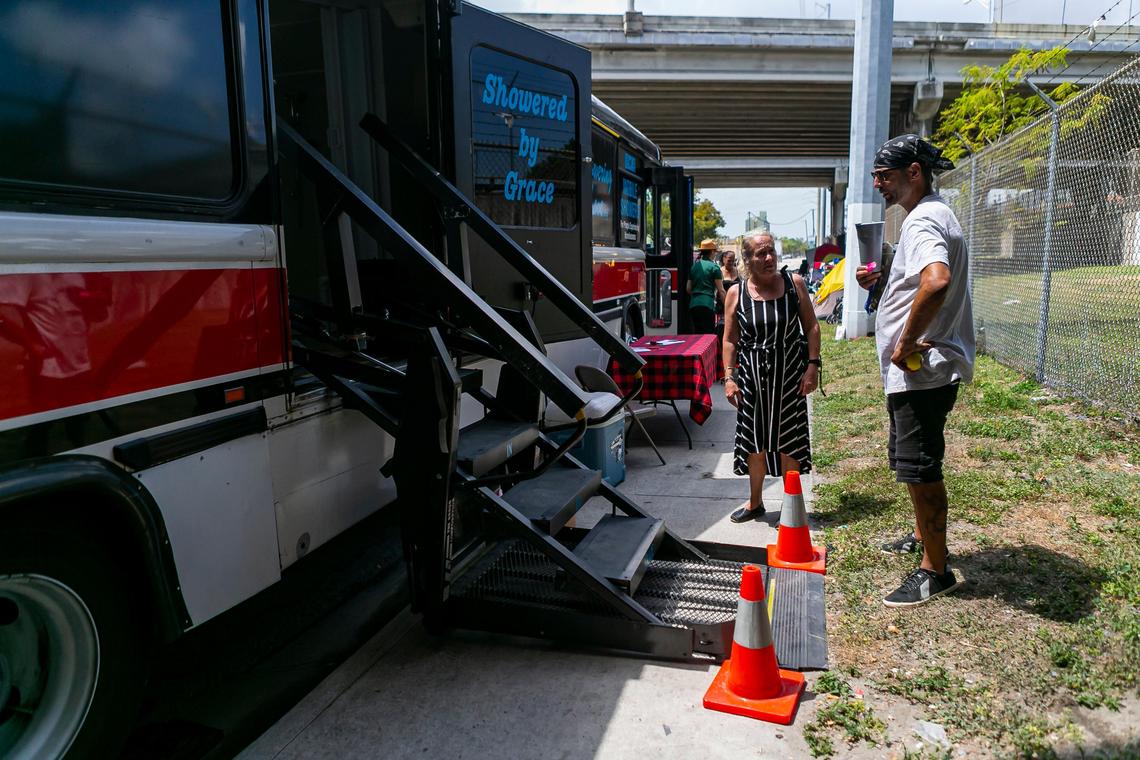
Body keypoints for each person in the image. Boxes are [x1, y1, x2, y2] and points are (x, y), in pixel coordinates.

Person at [856, 133, 975, 608]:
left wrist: (904, 342)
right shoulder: (931, 215)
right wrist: (883, 281)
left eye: (884, 176)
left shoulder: (923, 218)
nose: (879, 185)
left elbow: (937, 279)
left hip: (922, 370)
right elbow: (918, 280)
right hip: (920, 371)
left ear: (914, 172)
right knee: (912, 465)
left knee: (920, 468)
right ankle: (923, 538)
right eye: (875, 177)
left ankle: (935, 570)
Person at [723, 232, 821, 523]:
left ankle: (791, 508)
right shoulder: (736, 293)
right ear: (747, 260)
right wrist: (730, 378)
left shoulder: (794, 284)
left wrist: (812, 365)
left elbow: (812, 327)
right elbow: (729, 340)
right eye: (760, 254)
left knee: (789, 440)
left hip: (790, 377)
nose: (768, 259)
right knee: (755, 443)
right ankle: (755, 503)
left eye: (771, 252)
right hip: (751, 381)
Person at [687, 239, 724, 334]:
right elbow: (721, 290)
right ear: (712, 251)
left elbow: (688, 289)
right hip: (707, 304)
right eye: (715, 251)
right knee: (708, 335)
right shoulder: (714, 267)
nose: (715, 253)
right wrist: (727, 306)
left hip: (694, 305)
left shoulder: (694, 267)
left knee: (697, 334)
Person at [714, 250, 741, 379]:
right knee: (723, 336)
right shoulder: (719, 271)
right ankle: (723, 367)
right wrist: (726, 307)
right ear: (723, 259)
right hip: (722, 309)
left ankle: (736, 364)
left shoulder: (737, 271)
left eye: (733, 260)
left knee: (737, 336)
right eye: (729, 260)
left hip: (737, 308)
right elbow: (719, 291)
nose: (731, 263)